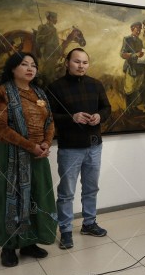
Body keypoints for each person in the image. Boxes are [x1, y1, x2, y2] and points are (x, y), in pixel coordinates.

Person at [0, 52, 56, 267]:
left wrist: (46, 143)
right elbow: (0, 126)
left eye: (33, 65)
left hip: (38, 156)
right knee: (9, 199)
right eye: (24, 64)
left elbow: (50, 122)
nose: (30, 68)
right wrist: (30, 146)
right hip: (10, 155)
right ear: (12, 68)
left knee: (36, 197)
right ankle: (8, 247)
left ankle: (29, 242)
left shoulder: (39, 93)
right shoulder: (1, 92)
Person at [47, 48, 112, 249]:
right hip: (70, 148)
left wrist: (100, 116)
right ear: (67, 63)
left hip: (94, 146)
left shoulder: (96, 84)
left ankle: (89, 223)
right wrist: (71, 118)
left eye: (85, 62)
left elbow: (107, 108)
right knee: (66, 192)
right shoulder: (55, 87)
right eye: (76, 61)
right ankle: (65, 230)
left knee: (91, 188)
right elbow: (48, 116)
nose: (81, 65)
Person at [120, 22, 145, 114]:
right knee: (129, 89)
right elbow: (122, 54)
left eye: (140, 29)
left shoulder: (140, 41)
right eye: (137, 29)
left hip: (139, 68)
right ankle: (128, 109)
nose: (139, 31)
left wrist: (143, 56)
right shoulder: (127, 39)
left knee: (136, 88)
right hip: (130, 68)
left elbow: (140, 55)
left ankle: (134, 107)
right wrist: (135, 55)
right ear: (132, 29)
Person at [35, 11, 59, 83]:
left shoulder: (54, 29)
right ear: (50, 18)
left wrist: (59, 49)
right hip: (45, 52)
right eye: (55, 18)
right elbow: (38, 39)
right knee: (45, 72)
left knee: (52, 72)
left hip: (54, 53)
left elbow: (56, 42)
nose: (56, 20)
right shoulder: (42, 27)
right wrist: (48, 35)